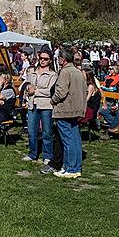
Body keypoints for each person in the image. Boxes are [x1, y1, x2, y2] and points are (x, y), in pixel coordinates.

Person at [49, 49, 86, 179]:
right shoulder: (78, 71)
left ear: (63, 60)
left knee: (68, 140)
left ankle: (70, 168)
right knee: (75, 139)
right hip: (76, 109)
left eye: (59, 58)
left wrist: (52, 100)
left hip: (65, 110)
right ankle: (75, 167)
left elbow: (61, 92)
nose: (58, 60)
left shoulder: (65, 72)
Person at [23, 49, 56, 164]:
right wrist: (28, 88)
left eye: (45, 59)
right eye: (41, 58)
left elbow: (50, 91)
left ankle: (47, 155)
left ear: (50, 60)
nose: (42, 61)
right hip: (32, 104)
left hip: (46, 105)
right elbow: (27, 83)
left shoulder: (53, 75)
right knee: (32, 131)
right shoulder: (32, 72)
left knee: (47, 131)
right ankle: (33, 153)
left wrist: (35, 91)